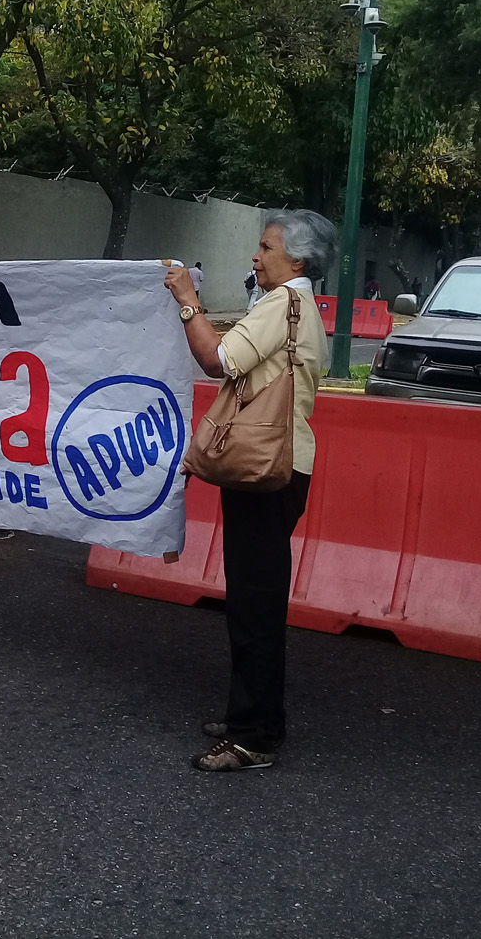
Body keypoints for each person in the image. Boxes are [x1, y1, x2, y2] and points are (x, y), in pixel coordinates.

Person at [163, 208, 334, 771]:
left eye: (266, 247)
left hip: (267, 469)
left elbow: (217, 360)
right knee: (249, 599)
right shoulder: (300, 308)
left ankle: (254, 735)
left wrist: (188, 300)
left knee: (255, 603)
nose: (256, 256)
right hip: (278, 465)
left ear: (298, 261)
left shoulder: (285, 303)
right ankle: (249, 716)